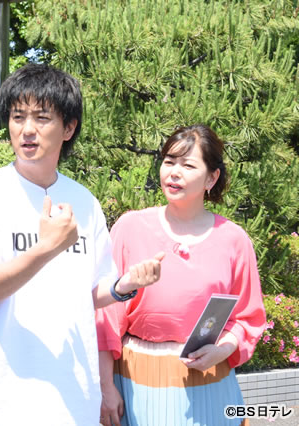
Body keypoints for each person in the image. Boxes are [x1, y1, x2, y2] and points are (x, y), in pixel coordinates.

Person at [0, 63, 165, 425]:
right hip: (3, 403)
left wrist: (124, 285)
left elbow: (88, 292)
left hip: (74, 399)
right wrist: (45, 249)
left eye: (42, 118)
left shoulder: (85, 202)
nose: (27, 129)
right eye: (18, 117)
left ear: (69, 128)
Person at [96, 124, 266, 426]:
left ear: (211, 178)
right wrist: (106, 387)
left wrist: (224, 349)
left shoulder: (234, 240)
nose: (174, 172)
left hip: (212, 381)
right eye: (169, 161)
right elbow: (106, 319)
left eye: (188, 165)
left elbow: (247, 317)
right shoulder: (131, 227)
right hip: (138, 382)